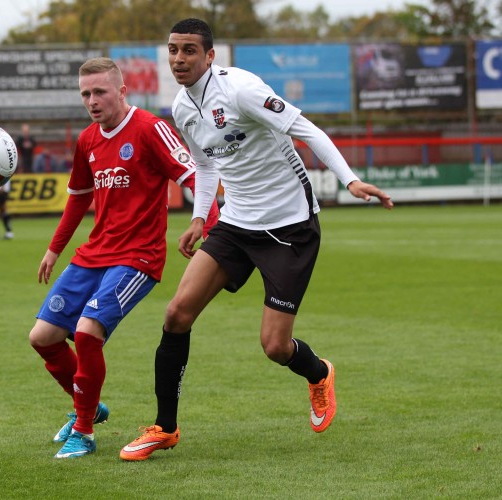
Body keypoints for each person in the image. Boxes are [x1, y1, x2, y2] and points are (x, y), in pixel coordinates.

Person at [120, 18, 394, 461]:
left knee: (275, 347)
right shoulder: (183, 107)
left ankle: (318, 372)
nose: (179, 59)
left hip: (290, 226)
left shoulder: (242, 89)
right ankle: (165, 427)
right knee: (176, 314)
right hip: (236, 223)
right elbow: (207, 167)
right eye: (173, 50)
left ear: (210, 56)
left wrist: (350, 180)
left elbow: (307, 130)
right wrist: (197, 218)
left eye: (189, 50)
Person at [28, 57, 219, 460]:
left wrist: (209, 226)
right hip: (93, 253)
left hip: (138, 257)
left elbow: (194, 175)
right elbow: (78, 199)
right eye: (85, 94)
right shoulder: (87, 141)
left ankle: (83, 430)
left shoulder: (151, 129)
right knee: (42, 338)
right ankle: (90, 407)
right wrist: (54, 249)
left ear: (121, 91)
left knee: (85, 333)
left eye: (99, 92)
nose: (92, 101)